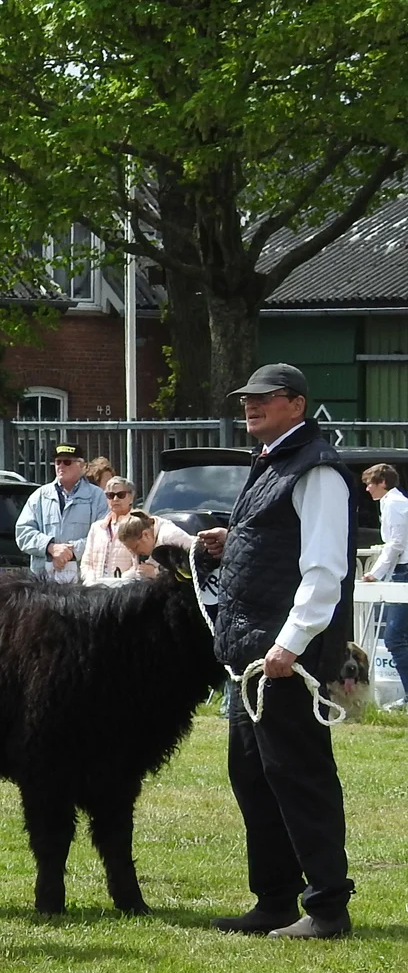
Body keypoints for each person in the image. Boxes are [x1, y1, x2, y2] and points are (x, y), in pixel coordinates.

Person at [197, 363, 357, 940]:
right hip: (251, 657)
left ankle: (328, 907)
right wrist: (232, 538)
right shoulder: (273, 463)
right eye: (246, 400)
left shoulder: (316, 469)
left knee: (299, 776)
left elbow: (323, 571)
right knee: (254, 776)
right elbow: (277, 541)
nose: (250, 407)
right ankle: (274, 899)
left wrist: (290, 645)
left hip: (283, 656)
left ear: (296, 403)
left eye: (263, 399)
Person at [14, 442, 109, 581]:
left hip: (83, 584)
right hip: (44, 583)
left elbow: (104, 536)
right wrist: (50, 547)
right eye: (58, 462)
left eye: (67, 462)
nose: (61, 466)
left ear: (82, 466)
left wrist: (71, 551)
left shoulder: (97, 496)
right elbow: (23, 532)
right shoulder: (40, 496)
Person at [360, 464, 408, 672]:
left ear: (383, 483)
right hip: (401, 570)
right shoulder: (392, 502)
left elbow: (396, 543)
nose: (367, 489)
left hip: (404, 571)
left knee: (394, 639)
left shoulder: (394, 504)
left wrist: (374, 573)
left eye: (370, 484)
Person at [79, 475, 142, 584]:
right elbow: (86, 563)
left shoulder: (139, 525)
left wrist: (122, 580)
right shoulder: (96, 528)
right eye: (110, 495)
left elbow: (140, 565)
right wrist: (90, 580)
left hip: (126, 590)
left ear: (131, 497)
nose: (115, 499)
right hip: (97, 590)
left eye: (121, 495)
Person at [115, 509, 195, 580]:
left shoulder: (171, 536)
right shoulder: (146, 544)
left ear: (145, 535)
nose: (135, 553)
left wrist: (155, 572)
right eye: (130, 550)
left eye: (136, 547)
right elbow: (138, 571)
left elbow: (192, 565)